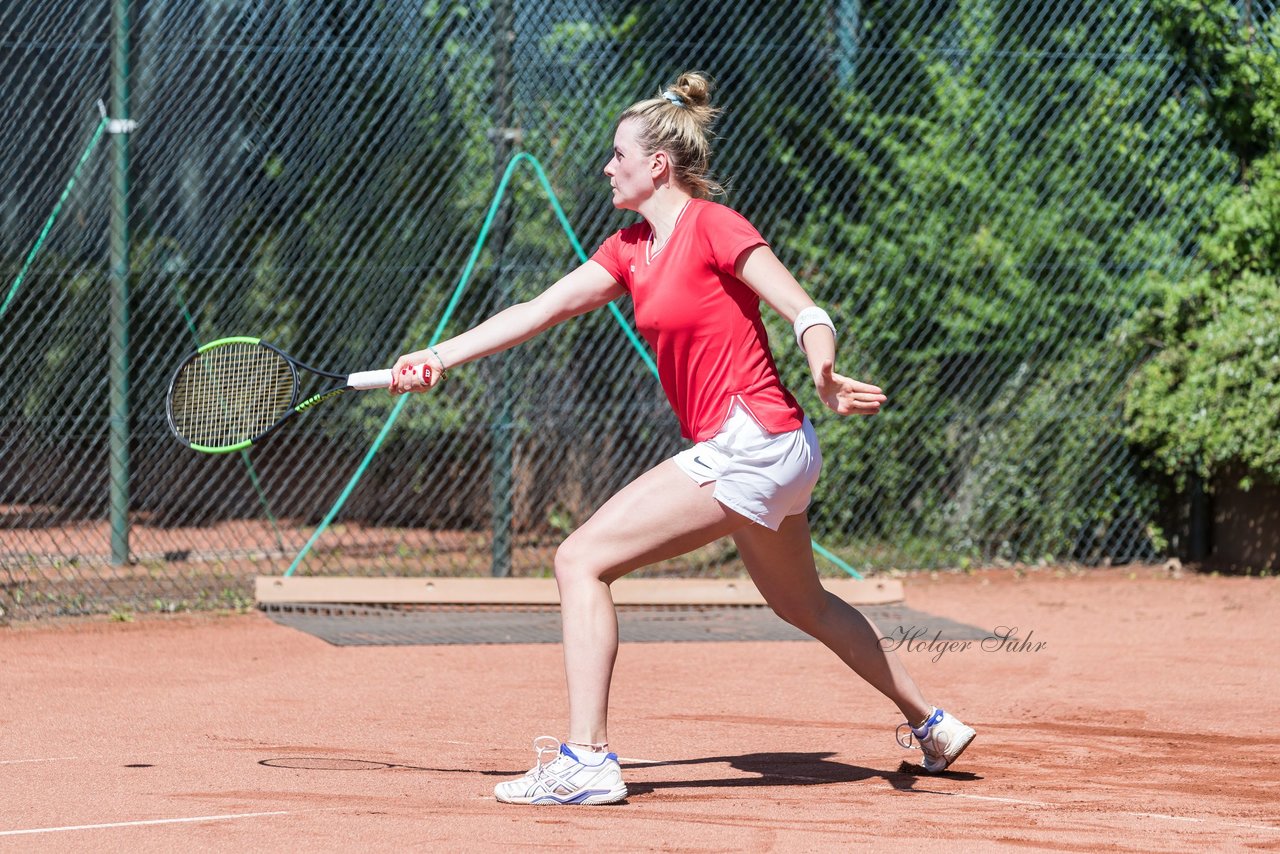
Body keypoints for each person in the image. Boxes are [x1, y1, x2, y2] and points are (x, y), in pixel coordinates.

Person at [391, 71, 975, 805]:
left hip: (754, 439)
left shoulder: (712, 224)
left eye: (617, 155)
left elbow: (804, 308)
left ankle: (587, 759)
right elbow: (539, 309)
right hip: (774, 450)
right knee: (805, 605)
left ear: (656, 164)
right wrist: (436, 357)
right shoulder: (630, 248)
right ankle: (933, 725)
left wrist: (824, 369)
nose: (607, 167)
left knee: (581, 560)